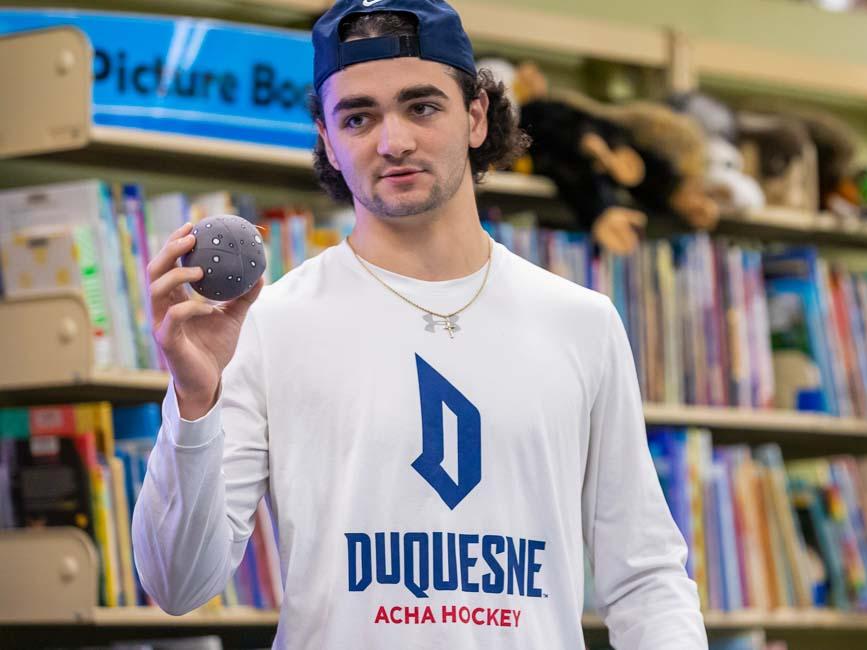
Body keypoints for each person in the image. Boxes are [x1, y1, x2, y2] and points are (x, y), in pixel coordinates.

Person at [132, 0, 708, 648]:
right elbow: (177, 585)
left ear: (476, 115)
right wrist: (194, 400)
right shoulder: (269, 325)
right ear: (327, 137)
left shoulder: (583, 324)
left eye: (422, 106)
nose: (393, 141)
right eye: (358, 116)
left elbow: (647, 579)